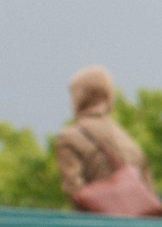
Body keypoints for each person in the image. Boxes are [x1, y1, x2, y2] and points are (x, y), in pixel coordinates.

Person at [51, 66, 151, 206]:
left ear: (78, 97)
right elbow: (148, 188)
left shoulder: (68, 137)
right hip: (135, 222)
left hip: (96, 224)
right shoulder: (129, 141)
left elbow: (74, 189)